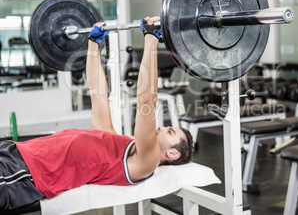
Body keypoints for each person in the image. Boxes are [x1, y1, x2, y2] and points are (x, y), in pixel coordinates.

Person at [0, 16, 194, 210]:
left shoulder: (146, 163)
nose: (161, 126)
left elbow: (147, 102)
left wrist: (151, 39)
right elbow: (98, 94)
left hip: (26, 173)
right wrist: (93, 45)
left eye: (170, 132)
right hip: (17, 153)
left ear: (172, 153)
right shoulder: (115, 144)